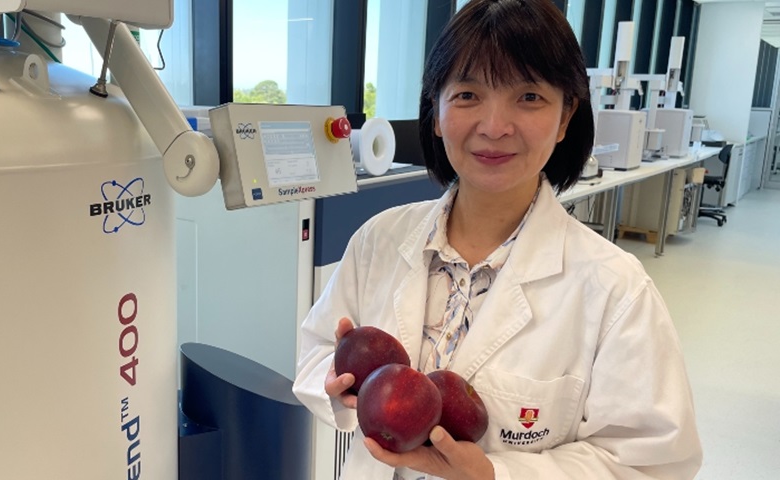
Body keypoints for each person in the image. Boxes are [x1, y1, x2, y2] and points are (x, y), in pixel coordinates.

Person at [292, 0, 703, 479]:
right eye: (467, 95)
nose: (494, 126)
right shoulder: (378, 241)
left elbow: (652, 463)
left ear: (566, 116)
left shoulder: (614, 289)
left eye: (528, 97)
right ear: (437, 111)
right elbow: (317, 351)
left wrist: (495, 476)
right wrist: (337, 383)